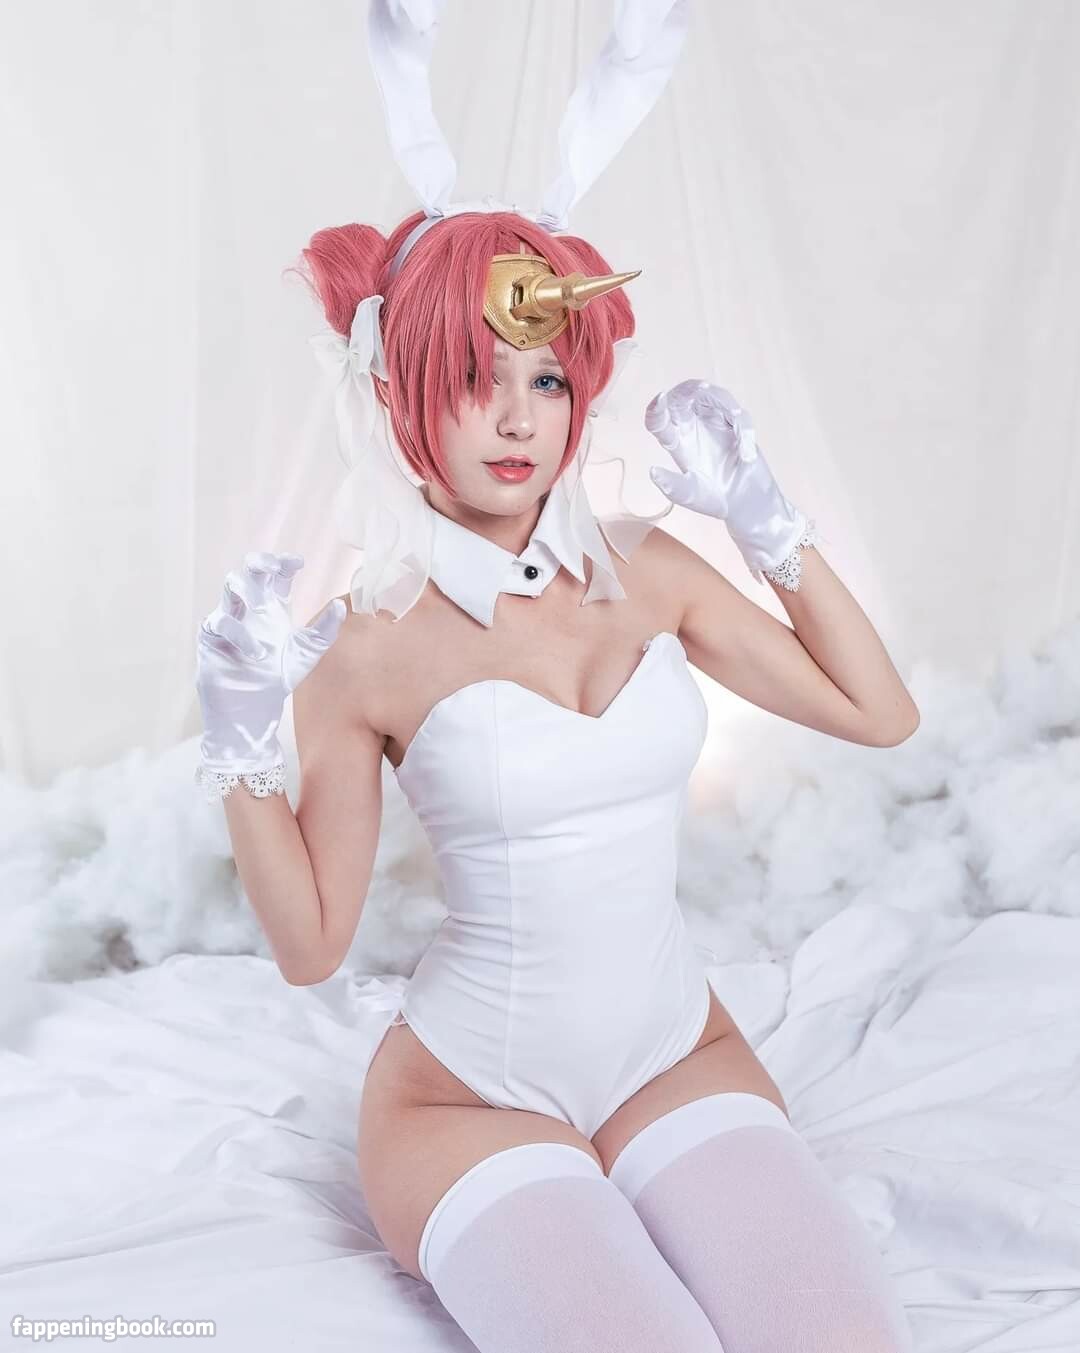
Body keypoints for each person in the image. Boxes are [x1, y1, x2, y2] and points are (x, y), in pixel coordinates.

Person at [192, 4, 920, 1349]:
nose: (519, 418)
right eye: (475, 376)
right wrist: (237, 750)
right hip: (465, 1098)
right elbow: (310, 951)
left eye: (547, 377)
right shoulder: (364, 641)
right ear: (402, 391)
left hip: (678, 1052)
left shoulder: (651, 567)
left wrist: (771, 525)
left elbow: (881, 713)